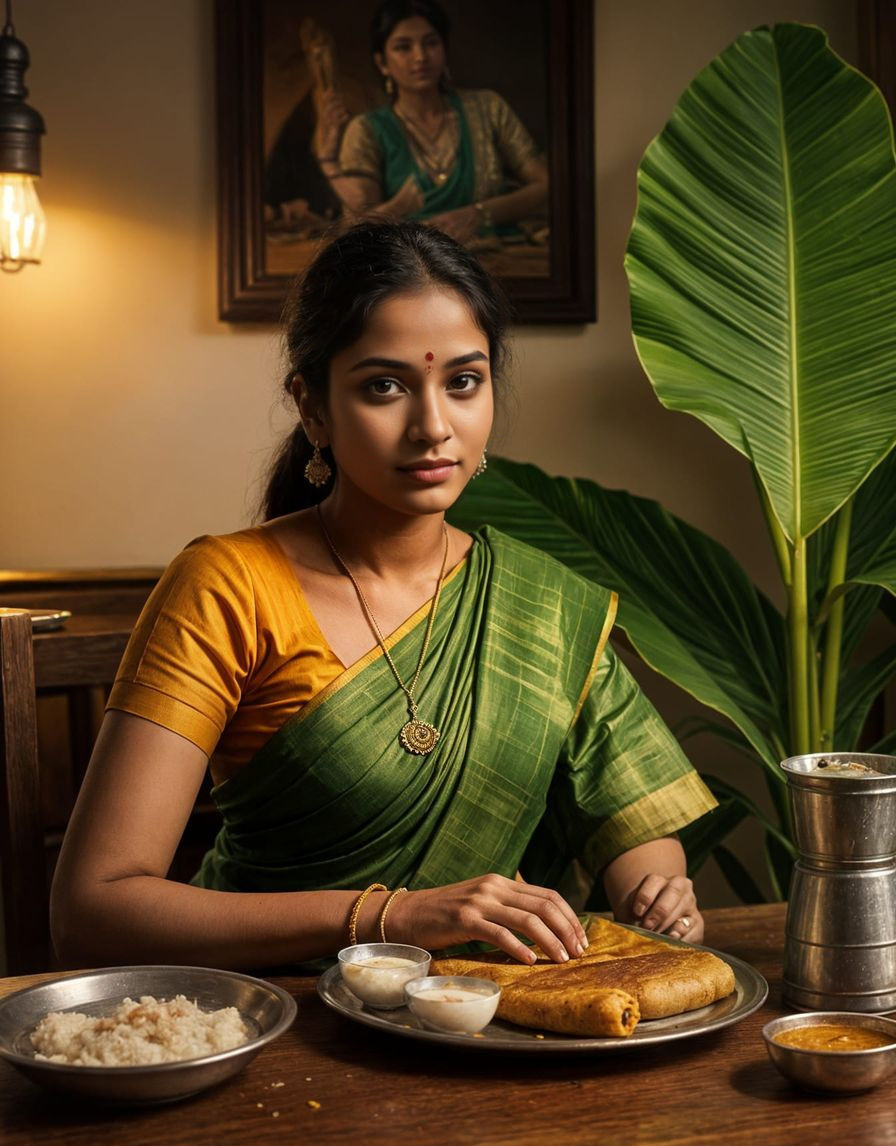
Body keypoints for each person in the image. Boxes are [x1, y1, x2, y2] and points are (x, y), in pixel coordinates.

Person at [50, 220, 716, 972]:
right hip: (273, 1018)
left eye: (463, 381)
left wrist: (656, 890)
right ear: (313, 408)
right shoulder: (228, 587)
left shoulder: (544, 604)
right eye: (384, 387)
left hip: (488, 1016)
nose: (433, 427)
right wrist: (395, 916)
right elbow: (94, 912)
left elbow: (629, 817)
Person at [315, 0, 549, 246]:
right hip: (410, 270)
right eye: (403, 47)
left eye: (431, 43)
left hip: (496, 262)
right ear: (382, 62)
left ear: (444, 49)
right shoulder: (367, 130)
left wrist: (478, 214)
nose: (420, 56)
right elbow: (362, 225)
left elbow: (545, 186)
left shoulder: (487, 109)